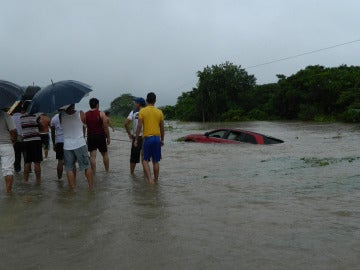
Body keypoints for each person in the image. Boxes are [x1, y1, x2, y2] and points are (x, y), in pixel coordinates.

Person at [134, 92, 165, 184]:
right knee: (156, 161)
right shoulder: (159, 112)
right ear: (155, 101)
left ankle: (150, 180)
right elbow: (162, 128)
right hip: (157, 138)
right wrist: (162, 140)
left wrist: (136, 139)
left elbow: (139, 127)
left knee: (145, 160)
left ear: (146, 100)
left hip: (148, 138)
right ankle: (156, 180)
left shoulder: (142, 111)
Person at [60, 104, 93, 189]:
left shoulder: (61, 115)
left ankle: (72, 189)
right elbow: (85, 125)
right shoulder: (81, 113)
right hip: (80, 143)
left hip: (67, 146)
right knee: (87, 166)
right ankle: (90, 187)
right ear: (73, 104)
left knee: (69, 168)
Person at [85, 98, 110, 174]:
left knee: (92, 156)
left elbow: (84, 126)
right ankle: (107, 171)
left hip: (91, 137)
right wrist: (108, 137)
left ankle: (94, 173)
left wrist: (85, 138)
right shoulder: (101, 113)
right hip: (100, 136)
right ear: (97, 105)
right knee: (105, 154)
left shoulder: (85, 114)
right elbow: (105, 127)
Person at [20, 102, 42, 184]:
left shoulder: (21, 117)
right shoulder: (36, 116)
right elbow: (41, 127)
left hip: (26, 141)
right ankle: (38, 181)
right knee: (37, 162)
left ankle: (25, 181)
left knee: (27, 161)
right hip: (36, 140)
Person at [124, 97, 146, 174]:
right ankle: (146, 176)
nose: (135, 104)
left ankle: (132, 174)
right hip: (146, 137)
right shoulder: (147, 111)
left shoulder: (133, 112)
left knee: (133, 157)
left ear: (138, 104)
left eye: (135, 102)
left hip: (136, 137)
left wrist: (129, 134)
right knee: (144, 158)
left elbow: (126, 124)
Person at [0, 109, 17, 193]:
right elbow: (13, 130)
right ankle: (8, 193)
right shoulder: (5, 115)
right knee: (8, 169)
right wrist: (14, 140)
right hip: (6, 144)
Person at [51, 111, 64, 179]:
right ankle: (72, 179)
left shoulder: (54, 118)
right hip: (68, 141)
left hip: (59, 142)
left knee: (60, 161)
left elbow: (52, 133)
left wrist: (54, 144)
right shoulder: (68, 116)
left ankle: (59, 179)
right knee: (71, 162)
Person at [12, 103, 25, 172]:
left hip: (15, 139)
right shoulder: (24, 117)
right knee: (26, 155)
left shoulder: (11, 118)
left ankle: (17, 169)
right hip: (24, 138)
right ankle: (28, 170)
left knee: (17, 155)